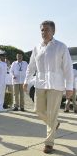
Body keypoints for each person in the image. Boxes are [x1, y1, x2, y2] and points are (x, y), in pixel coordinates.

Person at [24, 20, 73, 154]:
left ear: (53, 31)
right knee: (38, 110)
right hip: (40, 83)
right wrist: (26, 80)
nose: (44, 32)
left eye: (46, 30)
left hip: (56, 85)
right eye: (42, 30)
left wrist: (69, 86)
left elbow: (68, 68)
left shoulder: (61, 47)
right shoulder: (37, 47)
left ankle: (49, 143)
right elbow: (31, 66)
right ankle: (54, 124)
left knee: (52, 114)